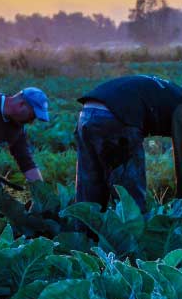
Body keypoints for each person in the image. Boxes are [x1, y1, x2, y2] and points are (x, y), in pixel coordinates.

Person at [76, 74, 182, 213]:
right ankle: (130, 233)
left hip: (87, 114)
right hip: (118, 117)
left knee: (89, 189)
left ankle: (84, 233)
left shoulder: (173, 93)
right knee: (129, 199)